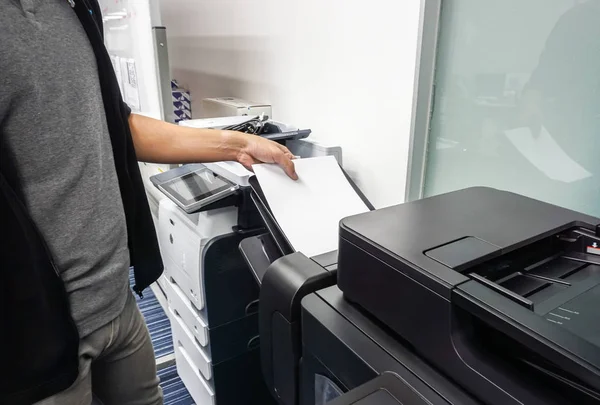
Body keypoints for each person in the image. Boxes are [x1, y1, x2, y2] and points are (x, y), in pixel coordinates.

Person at [0, 1, 297, 404]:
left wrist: (238, 143)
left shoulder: (72, 8)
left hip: (115, 295)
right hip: (37, 333)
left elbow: (114, 123)